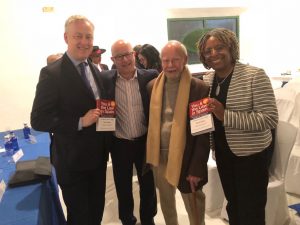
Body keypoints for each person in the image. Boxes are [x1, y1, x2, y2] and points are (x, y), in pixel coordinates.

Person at [31, 15, 109, 225]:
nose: (84, 42)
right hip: (72, 162)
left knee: (96, 213)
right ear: (66, 37)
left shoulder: (95, 69)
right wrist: (79, 121)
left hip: (98, 158)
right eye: (78, 36)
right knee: (80, 218)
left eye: (88, 37)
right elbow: (38, 119)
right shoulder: (51, 73)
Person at [197, 28, 278, 225]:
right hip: (223, 153)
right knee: (233, 204)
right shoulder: (208, 79)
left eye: (220, 47)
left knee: (252, 210)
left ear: (232, 48)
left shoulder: (254, 75)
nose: (214, 54)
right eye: (208, 51)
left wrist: (225, 115)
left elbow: (269, 118)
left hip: (251, 156)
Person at [146, 40, 210, 225]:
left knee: (194, 205)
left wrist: (197, 167)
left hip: (187, 157)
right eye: (166, 60)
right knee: (166, 204)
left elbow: (203, 133)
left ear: (185, 60)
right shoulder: (152, 87)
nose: (170, 65)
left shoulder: (199, 88)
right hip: (159, 158)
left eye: (175, 60)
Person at [100, 39, 158, 225]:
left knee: (148, 186)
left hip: (144, 141)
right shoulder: (105, 79)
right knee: (123, 187)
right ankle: (127, 220)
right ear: (112, 59)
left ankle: (148, 220)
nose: (125, 60)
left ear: (134, 54)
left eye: (127, 54)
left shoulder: (150, 76)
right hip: (119, 143)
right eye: (119, 56)